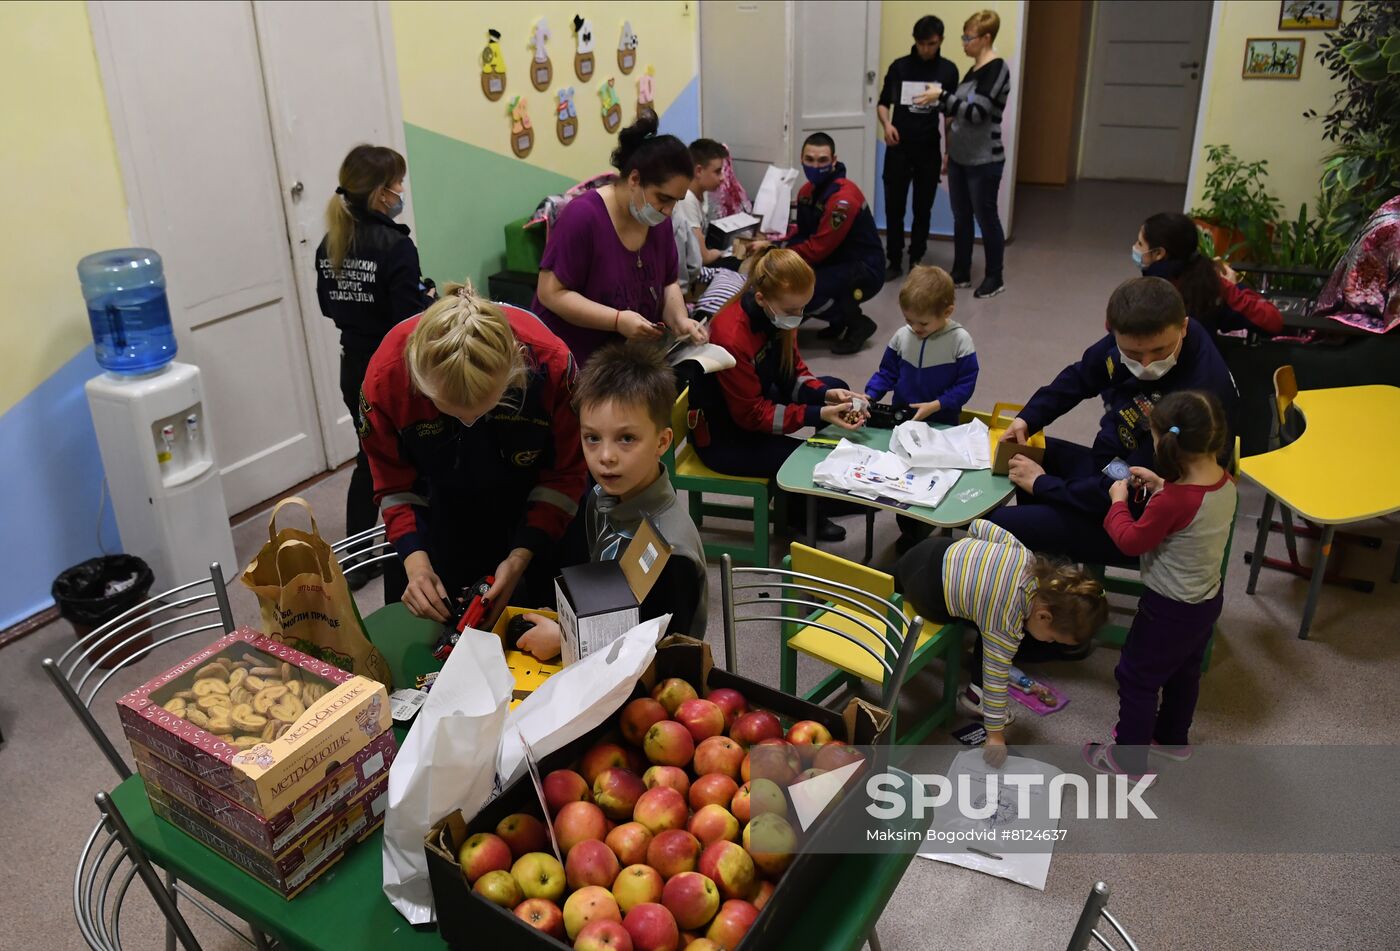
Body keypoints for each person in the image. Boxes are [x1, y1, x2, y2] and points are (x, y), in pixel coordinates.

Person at [358, 285, 587, 627]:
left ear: (515, 363)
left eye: (483, 409)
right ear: (418, 380)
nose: (468, 421)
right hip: (440, 503)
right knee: (436, 627)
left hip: (531, 496)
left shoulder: (551, 364)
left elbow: (566, 473)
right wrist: (416, 564)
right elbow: (392, 482)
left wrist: (520, 557)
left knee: (547, 627)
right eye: (449, 410)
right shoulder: (386, 377)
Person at [988, 277, 1238, 566]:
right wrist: (1028, 418)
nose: (1145, 365)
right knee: (1024, 454)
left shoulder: (1197, 399)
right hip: (1114, 463)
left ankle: (1043, 560)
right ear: (1113, 331)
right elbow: (1082, 376)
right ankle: (1045, 564)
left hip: (1138, 522)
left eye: (1159, 352)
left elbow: (1124, 489)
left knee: (997, 522)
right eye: (1132, 354)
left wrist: (1043, 485)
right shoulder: (1139, 328)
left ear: (1184, 326)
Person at [516, 341, 709, 659]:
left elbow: (663, 655)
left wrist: (568, 642)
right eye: (592, 437)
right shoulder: (601, 498)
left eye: (627, 439)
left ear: (662, 442)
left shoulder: (672, 552)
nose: (605, 457)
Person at [1086, 390, 1236, 782]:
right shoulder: (1226, 482)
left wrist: (1118, 501)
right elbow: (1190, 513)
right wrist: (1159, 487)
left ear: (1166, 442)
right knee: (1184, 671)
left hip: (1167, 607)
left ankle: (1129, 760)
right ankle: (1172, 739)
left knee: (1137, 677)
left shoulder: (1172, 502)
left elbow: (1131, 540)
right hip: (1205, 600)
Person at [895, 519, 1108, 766]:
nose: (1048, 642)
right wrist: (995, 736)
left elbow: (979, 527)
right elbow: (995, 676)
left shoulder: (1026, 556)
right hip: (926, 591)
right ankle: (976, 694)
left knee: (987, 619)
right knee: (995, 641)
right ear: (1043, 616)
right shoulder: (1006, 622)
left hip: (930, 549)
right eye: (1052, 638)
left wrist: (979, 564)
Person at [315, 144, 434, 588]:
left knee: (370, 458)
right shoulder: (396, 246)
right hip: (393, 371)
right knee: (409, 461)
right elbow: (408, 322)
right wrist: (428, 302)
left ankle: (355, 560)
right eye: (398, 184)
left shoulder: (331, 242)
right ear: (384, 193)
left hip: (354, 367)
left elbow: (329, 306)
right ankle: (410, 554)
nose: (402, 191)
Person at [692, 247, 868, 541]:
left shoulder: (779, 312)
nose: (798, 318)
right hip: (725, 437)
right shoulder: (732, 336)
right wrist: (817, 413)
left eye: (803, 309)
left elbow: (792, 373)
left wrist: (826, 395)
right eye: (792, 311)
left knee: (834, 384)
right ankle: (800, 516)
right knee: (798, 456)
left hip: (755, 400)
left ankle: (822, 493)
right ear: (761, 299)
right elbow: (752, 416)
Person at [533, 114, 707, 366]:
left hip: (625, 363)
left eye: (676, 201)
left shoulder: (658, 220)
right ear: (635, 179)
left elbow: (668, 283)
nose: (669, 210)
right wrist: (616, 320)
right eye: (664, 198)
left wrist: (679, 319)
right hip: (574, 364)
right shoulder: (584, 217)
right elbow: (550, 293)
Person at [864, 265, 979, 552]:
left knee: (937, 479)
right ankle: (910, 530)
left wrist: (938, 404)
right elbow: (887, 373)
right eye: (909, 320)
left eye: (923, 324)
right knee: (903, 477)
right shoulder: (903, 337)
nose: (916, 328)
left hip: (941, 423)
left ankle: (938, 531)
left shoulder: (960, 341)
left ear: (948, 311)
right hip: (903, 424)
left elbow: (966, 385)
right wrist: (869, 395)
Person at [748, 133, 885, 355]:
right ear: (801, 159)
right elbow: (803, 235)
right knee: (797, 278)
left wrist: (774, 252)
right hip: (836, 260)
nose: (815, 165)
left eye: (822, 160)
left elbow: (817, 249)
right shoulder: (807, 192)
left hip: (864, 268)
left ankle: (856, 323)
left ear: (834, 160)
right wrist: (774, 241)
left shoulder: (843, 200)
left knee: (800, 289)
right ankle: (838, 319)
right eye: (809, 159)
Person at [916, 10, 1012, 299]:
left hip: (984, 159)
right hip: (960, 157)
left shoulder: (997, 69)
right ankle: (961, 272)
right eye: (963, 36)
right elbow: (955, 112)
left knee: (986, 217)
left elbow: (977, 113)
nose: (963, 43)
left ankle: (995, 277)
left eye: (968, 37)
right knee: (962, 217)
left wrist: (943, 97)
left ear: (985, 38)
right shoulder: (972, 70)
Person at [877, 15, 960, 282]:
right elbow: (882, 102)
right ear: (915, 41)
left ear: (941, 41)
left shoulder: (948, 71)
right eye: (922, 43)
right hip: (899, 147)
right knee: (894, 206)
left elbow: (949, 115)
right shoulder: (899, 67)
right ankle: (894, 259)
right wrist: (886, 125)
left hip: (928, 149)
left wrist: (948, 150)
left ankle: (917, 257)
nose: (926, 49)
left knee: (923, 207)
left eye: (932, 44)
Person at [1134, 212, 1282, 338]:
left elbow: (1115, 324)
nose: (1135, 247)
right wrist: (1235, 287)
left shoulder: (1142, 291)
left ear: (1159, 253)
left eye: (1140, 244)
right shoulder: (1212, 285)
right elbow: (1272, 320)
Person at [673, 138, 741, 295]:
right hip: (692, 273)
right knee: (739, 263)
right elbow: (703, 257)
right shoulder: (687, 199)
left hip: (699, 262)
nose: (723, 177)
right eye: (717, 171)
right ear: (698, 171)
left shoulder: (701, 196)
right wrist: (726, 252)